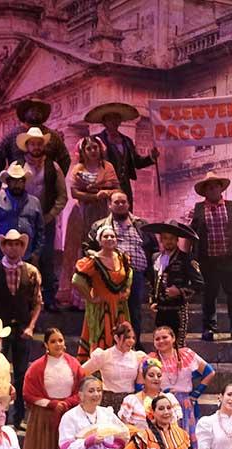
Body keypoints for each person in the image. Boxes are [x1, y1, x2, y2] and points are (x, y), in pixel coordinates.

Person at [0, 227, 42, 424]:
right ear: (3, 247)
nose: (13, 248)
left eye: (17, 244)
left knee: (21, 374)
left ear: (23, 247)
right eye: (10, 244)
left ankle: (19, 416)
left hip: (21, 329)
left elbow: (38, 302)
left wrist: (30, 327)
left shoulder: (31, 271)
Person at [21, 328, 83, 449]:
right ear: (46, 345)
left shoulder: (73, 364)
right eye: (53, 341)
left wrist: (68, 403)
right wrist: (51, 404)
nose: (58, 344)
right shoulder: (37, 367)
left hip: (69, 416)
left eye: (60, 340)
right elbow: (28, 393)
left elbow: (81, 389)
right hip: (44, 419)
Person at [189, 171, 232, 341]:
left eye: (215, 186)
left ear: (221, 188)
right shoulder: (196, 210)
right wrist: (187, 258)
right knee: (209, 295)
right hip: (207, 261)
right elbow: (188, 234)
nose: (212, 189)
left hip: (229, 259)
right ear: (204, 191)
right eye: (208, 187)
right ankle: (209, 328)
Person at [149, 326, 214, 449]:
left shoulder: (186, 354)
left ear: (173, 338)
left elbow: (209, 372)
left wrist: (196, 394)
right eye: (157, 339)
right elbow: (141, 382)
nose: (161, 341)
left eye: (165, 337)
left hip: (185, 404)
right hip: (162, 405)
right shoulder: (151, 359)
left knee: (187, 440)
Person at [61, 136, 120, 310]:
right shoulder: (78, 169)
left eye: (95, 147)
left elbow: (116, 188)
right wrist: (93, 196)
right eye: (89, 148)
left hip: (103, 211)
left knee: (102, 248)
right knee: (81, 250)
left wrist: (105, 193)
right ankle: (79, 297)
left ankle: (103, 293)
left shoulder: (107, 167)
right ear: (83, 152)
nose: (93, 151)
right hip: (82, 213)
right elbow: (74, 193)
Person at [88, 192, 155, 345]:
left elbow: (153, 248)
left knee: (134, 311)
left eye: (123, 202)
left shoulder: (141, 224)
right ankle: (112, 344)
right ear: (110, 205)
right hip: (111, 274)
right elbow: (88, 248)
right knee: (113, 311)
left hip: (136, 274)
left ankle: (134, 344)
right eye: (116, 202)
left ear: (128, 204)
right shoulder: (100, 226)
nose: (120, 205)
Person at [15, 126, 69, 310]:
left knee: (47, 258)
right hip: (23, 220)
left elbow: (62, 195)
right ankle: (26, 298)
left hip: (46, 219)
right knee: (24, 258)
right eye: (33, 144)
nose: (36, 147)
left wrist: (51, 215)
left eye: (39, 144)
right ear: (27, 146)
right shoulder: (18, 166)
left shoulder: (53, 167)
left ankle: (49, 298)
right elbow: (8, 191)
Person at [72, 224, 132, 361]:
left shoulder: (122, 258)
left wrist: (127, 289)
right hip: (101, 307)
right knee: (101, 338)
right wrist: (90, 298)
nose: (110, 239)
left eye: (112, 236)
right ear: (100, 241)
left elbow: (129, 273)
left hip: (119, 307)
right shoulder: (93, 261)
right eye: (106, 236)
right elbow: (77, 280)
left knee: (121, 337)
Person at [145, 220, 203, 346]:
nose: (168, 241)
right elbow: (152, 282)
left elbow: (199, 284)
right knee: (161, 345)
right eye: (165, 238)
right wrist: (152, 301)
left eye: (171, 238)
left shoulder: (186, 258)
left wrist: (179, 291)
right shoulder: (156, 258)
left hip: (177, 310)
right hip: (160, 310)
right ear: (161, 240)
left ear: (177, 239)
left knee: (178, 345)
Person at [88, 102, 158, 205]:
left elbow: (137, 162)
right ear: (104, 122)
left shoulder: (127, 141)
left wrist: (151, 157)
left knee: (125, 212)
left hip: (124, 188)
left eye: (116, 118)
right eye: (110, 119)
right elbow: (88, 164)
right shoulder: (95, 140)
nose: (114, 121)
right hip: (104, 187)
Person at [0, 99, 72, 184]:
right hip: (19, 185)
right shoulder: (12, 136)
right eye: (32, 109)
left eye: (39, 110)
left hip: (46, 186)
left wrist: (56, 179)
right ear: (25, 113)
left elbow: (65, 158)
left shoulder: (53, 136)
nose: (36, 112)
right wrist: (4, 182)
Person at [0, 161, 44, 262]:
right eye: (13, 181)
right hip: (1, 256)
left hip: (27, 257)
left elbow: (40, 231)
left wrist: (36, 253)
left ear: (24, 182)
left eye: (20, 181)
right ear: (8, 182)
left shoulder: (34, 203)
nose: (17, 184)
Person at [82, 321, 146, 410]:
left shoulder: (138, 356)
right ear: (116, 338)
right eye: (127, 337)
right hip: (109, 401)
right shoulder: (104, 355)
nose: (131, 341)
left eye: (133, 338)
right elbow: (82, 371)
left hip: (130, 401)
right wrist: (95, 386)